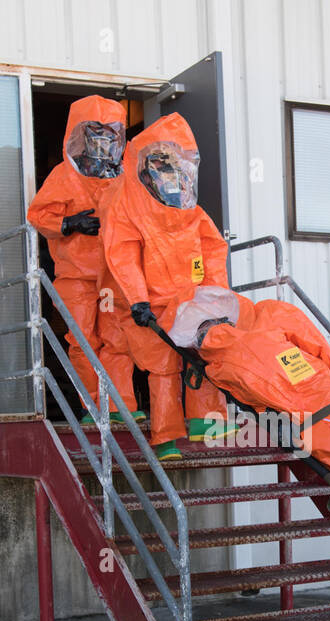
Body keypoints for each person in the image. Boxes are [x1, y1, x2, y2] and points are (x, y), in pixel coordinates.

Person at [166, 286, 330, 503]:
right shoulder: (272, 313)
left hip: (301, 421)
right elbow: (314, 342)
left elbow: (251, 401)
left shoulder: (217, 369)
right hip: (326, 392)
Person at [100, 113, 230, 459]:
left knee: (203, 352)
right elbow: (123, 256)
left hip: (191, 300)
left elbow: (214, 250)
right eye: (160, 161)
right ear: (145, 165)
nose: (168, 171)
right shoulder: (128, 207)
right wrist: (138, 301)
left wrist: (216, 295)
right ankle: (166, 438)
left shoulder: (190, 209)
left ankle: (208, 422)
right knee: (163, 369)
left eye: (173, 162)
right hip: (153, 305)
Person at [25, 95, 140, 424]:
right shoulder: (64, 176)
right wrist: (69, 223)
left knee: (117, 339)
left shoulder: (124, 177)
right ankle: (93, 408)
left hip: (113, 274)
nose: (102, 140)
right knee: (82, 340)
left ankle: (121, 407)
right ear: (80, 134)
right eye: (95, 132)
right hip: (76, 276)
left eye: (109, 133)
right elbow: (38, 215)